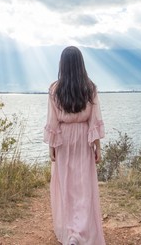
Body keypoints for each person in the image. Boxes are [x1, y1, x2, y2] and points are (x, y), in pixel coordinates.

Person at [44, 46, 106, 245]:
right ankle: (82, 230)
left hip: (63, 139)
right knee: (83, 186)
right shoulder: (90, 88)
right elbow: (94, 120)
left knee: (66, 185)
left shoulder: (54, 89)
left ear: (62, 64)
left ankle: (71, 233)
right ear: (81, 64)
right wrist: (97, 147)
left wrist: (51, 147)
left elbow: (52, 120)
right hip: (82, 139)